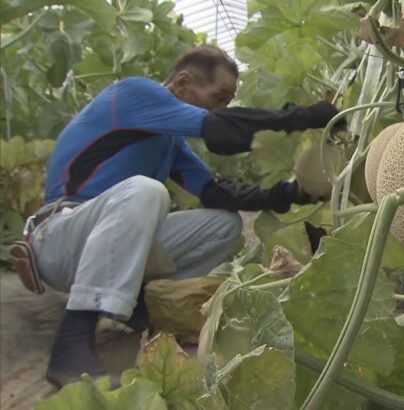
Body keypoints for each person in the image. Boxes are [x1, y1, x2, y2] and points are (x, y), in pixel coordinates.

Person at [7, 45, 342, 388]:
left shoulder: (170, 142)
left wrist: (292, 193)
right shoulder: (134, 93)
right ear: (183, 83)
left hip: (99, 246)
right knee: (146, 191)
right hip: (58, 237)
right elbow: (220, 131)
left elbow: (215, 192)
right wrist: (306, 116)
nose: (222, 108)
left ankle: (140, 305)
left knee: (224, 224)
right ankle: (71, 343)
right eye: (220, 96)